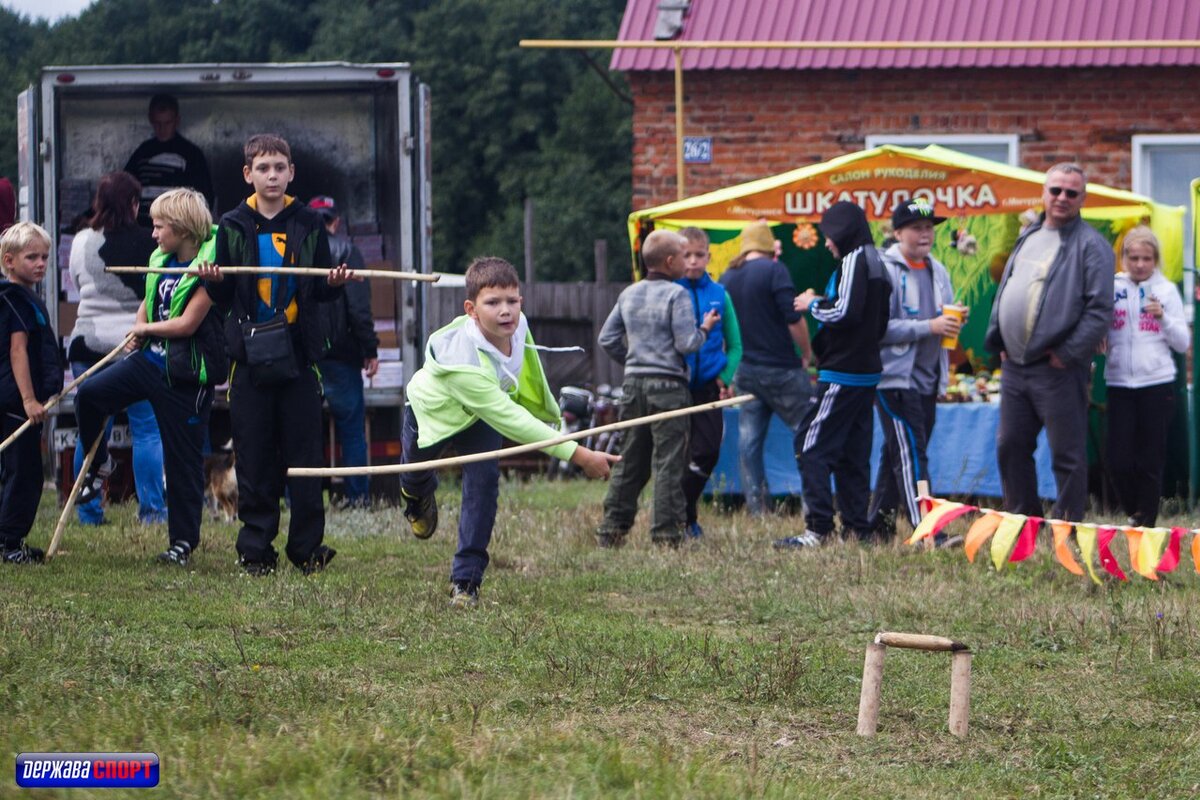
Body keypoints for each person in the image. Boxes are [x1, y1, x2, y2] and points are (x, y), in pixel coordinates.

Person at [401, 256, 619, 607]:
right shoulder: (464, 365)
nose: (506, 311)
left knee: (483, 485)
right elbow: (509, 418)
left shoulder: (518, 327)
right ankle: (416, 498)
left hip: (482, 416)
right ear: (471, 309)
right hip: (433, 413)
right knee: (413, 477)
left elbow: (526, 378)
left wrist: (548, 415)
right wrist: (579, 454)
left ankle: (466, 582)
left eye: (512, 301)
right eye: (493, 303)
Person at [198, 133, 352, 576]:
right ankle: (255, 549)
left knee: (305, 458)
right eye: (263, 168)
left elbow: (319, 288)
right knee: (254, 458)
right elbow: (225, 297)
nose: (272, 175)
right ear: (248, 174)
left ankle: (307, 549)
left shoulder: (308, 222)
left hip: (298, 356)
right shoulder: (231, 223)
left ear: (291, 173)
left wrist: (334, 282)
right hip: (249, 357)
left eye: (279, 168)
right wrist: (213, 279)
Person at [75, 189, 224, 567]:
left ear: (183, 228)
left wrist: (149, 329)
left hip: (184, 375)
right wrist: (138, 327)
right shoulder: (160, 257)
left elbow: (189, 323)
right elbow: (146, 301)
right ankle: (99, 466)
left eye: (159, 227)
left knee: (183, 461)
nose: (153, 234)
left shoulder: (212, 267)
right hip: (148, 362)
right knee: (89, 395)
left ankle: (183, 544)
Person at [986, 163, 1114, 523]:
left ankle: (1068, 526)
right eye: (1055, 190)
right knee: (1010, 445)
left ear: (1082, 199)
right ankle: (1023, 521)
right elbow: (1008, 289)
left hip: (1056, 368)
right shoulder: (1029, 235)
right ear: (1043, 193)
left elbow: (1099, 309)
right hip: (1014, 365)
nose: (1061, 198)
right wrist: (999, 337)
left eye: (1071, 193)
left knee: (1067, 455)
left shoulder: (1093, 246)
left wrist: (1067, 354)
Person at [596, 230, 719, 548]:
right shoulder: (675, 295)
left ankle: (612, 529)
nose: (686, 260)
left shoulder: (629, 293)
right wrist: (705, 329)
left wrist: (634, 361)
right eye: (682, 255)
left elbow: (607, 339)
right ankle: (666, 535)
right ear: (669, 261)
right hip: (669, 389)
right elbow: (686, 343)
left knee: (631, 459)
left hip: (634, 387)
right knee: (669, 462)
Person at [780, 201, 891, 548]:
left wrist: (811, 302)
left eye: (830, 235)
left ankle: (818, 530)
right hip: (865, 373)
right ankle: (858, 528)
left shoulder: (856, 258)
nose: (827, 243)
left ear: (844, 232)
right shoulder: (877, 261)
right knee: (852, 454)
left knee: (809, 445)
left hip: (843, 373)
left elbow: (844, 311)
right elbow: (878, 320)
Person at [67, 171, 165, 525]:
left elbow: (78, 283)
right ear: (135, 204)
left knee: (92, 434)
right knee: (147, 430)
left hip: (87, 345)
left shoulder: (81, 241)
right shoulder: (152, 243)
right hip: (133, 346)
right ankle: (153, 513)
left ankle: (88, 512)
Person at [867, 199, 961, 539]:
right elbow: (878, 330)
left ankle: (877, 527)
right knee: (912, 455)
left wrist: (950, 324)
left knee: (898, 453)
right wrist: (929, 326)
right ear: (897, 233)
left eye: (929, 228)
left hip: (927, 379)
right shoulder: (884, 270)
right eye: (916, 228)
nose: (925, 234)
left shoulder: (939, 270)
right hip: (894, 377)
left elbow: (942, 322)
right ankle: (928, 531)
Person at [719, 221, 814, 515]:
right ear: (767, 244)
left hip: (746, 371)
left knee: (749, 443)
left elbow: (724, 331)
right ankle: (815, 505)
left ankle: (758, 509)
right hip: (782, 370)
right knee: (808, 435)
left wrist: (728, 371)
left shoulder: (727, 277)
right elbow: (793, 317)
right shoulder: (775, 270)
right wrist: (807, 353)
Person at [1104, 226, 1188, 527]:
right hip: (1118, 383)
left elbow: (1182, 342)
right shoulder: (1112, 287)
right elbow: (1099, 325)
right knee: (1118, 459)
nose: (1140, 264)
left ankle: (1146, 522)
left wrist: (1163, 317)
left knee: (1150, 459)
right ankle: (1132, 511)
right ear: (1123, 258)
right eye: (1134, 257)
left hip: (1157, 384)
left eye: (1147, 259)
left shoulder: (1166, 290)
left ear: (1156, 260)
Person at [310, 195, 379, 508]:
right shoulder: (348, 251)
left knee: (302, 429)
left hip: (305, 354)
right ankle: (357, 498)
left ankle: (299, 498)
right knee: (351, 429)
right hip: (341, 354)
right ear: (335, 221)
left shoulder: (300, 251)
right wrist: (370, 349)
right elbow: (359, 308)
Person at [0, 222, 62, 564]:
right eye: (32, 257)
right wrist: (29, 400)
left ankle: (7, 539)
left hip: (17, 400)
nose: (41, 264)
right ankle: (10, 543)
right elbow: (17, 351)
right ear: (9, 261)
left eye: (45, 257)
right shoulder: (15, 302)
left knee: (18, 470)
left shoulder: (24, 298)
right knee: (24, 473)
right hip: (16, 402)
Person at [675, 226, 742, 538]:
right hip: (675, 384)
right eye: (685, 255)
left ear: (708, 256)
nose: (692, 261)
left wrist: (724, 376)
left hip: (708, 387)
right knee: (677, 454)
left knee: (708, 451)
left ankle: (682, 505)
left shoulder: (720, 294)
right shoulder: (670, 291)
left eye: (698, 255)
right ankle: (685, 519)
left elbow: (737, 345)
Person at [124, 94, 214, 227]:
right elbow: (122, 188)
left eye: (167, 123)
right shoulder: (143, 152)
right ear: (151, 119)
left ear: (177, 121)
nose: (162, 128)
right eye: (157, 123)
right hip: (143, 227)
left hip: (175, 230)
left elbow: (204, 198)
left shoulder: (191, 154)